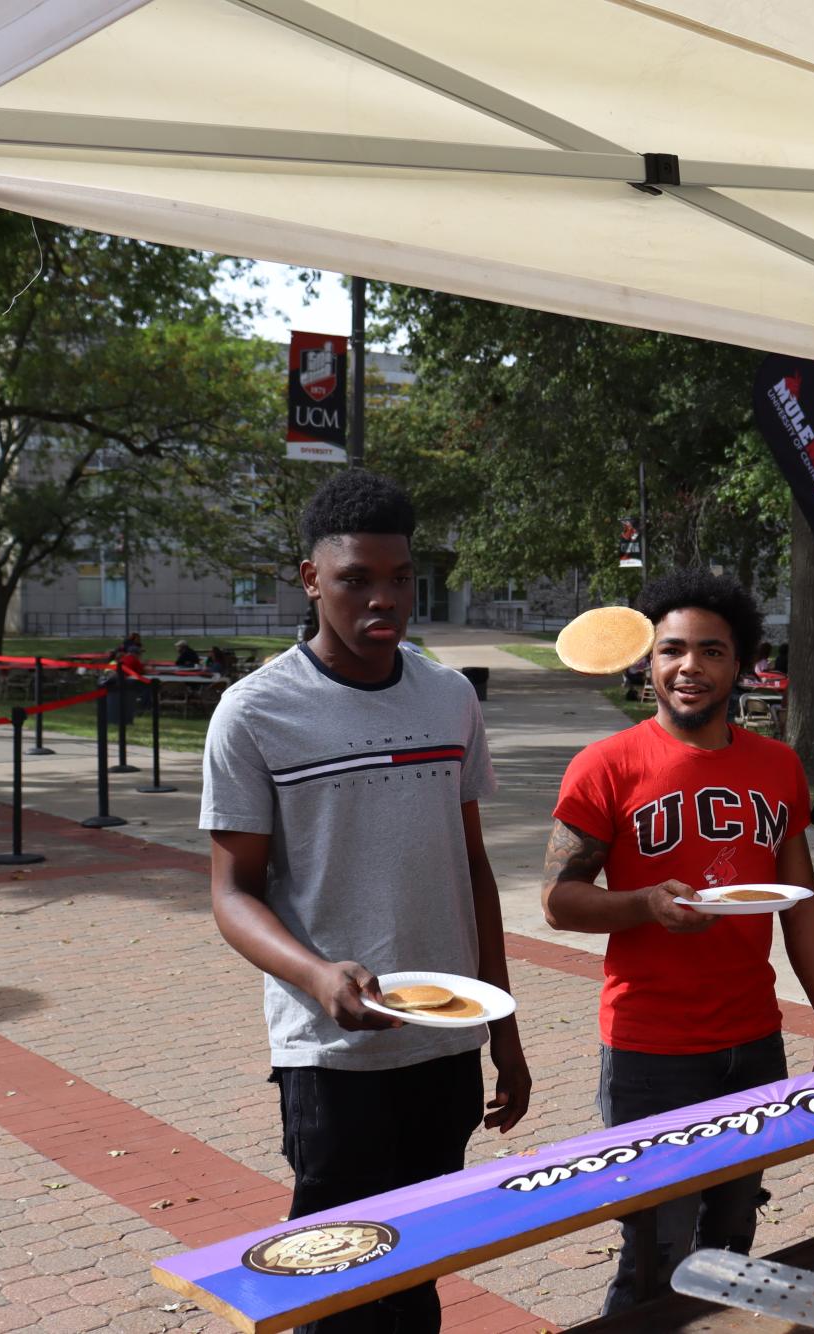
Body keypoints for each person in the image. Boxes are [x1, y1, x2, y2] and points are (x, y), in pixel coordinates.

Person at [202, 470, 532, 1334]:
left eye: (399, 578)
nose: (383, 599)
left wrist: (504, 1030)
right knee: (336, 1275)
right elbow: (231, 894)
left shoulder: (449, 695)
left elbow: (472, 871)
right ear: (310, 578)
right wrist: (316, 977)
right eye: (356, 579)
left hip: (442, 1037)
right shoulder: (254, 712)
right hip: (331, 1053)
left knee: (418, 1268)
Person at [542, 571, 814, 1314]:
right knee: (656, 1247)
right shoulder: (605, 765)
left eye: (711, 651)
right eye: (672, 650)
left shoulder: (775, 767)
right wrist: (645, 904)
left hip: (753, 1039)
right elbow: (558, 902)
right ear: (646, 662)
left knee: (733, 1235)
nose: (690, 667)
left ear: (739, 663)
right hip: (651, 1048)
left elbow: (800, 906)